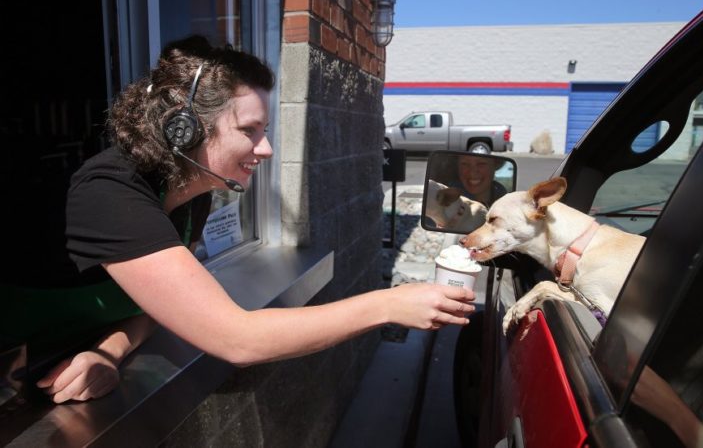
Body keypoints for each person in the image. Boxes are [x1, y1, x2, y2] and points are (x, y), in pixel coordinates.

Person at [24, 36, 475, 403]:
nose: (267, 149)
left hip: (65, 363)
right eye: (249, 131)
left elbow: (155, 306)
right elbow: (236, 339)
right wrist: (387, 304)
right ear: (185, 129)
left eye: (266, 132)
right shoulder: (109, 193)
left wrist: (109, 350)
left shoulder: (190, 192)